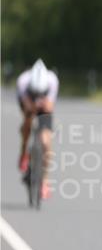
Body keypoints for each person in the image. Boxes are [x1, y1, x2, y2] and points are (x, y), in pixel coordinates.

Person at [16, 59, 59, 199]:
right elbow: (27, 106)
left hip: (44, 106)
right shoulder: (23, 81)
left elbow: (49, 107)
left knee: (46, 142)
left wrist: (42, 104)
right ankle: (24, 154)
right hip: (27, 101)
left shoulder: (52, 81)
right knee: (27, 125)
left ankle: (45, 182)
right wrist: (33, 106)